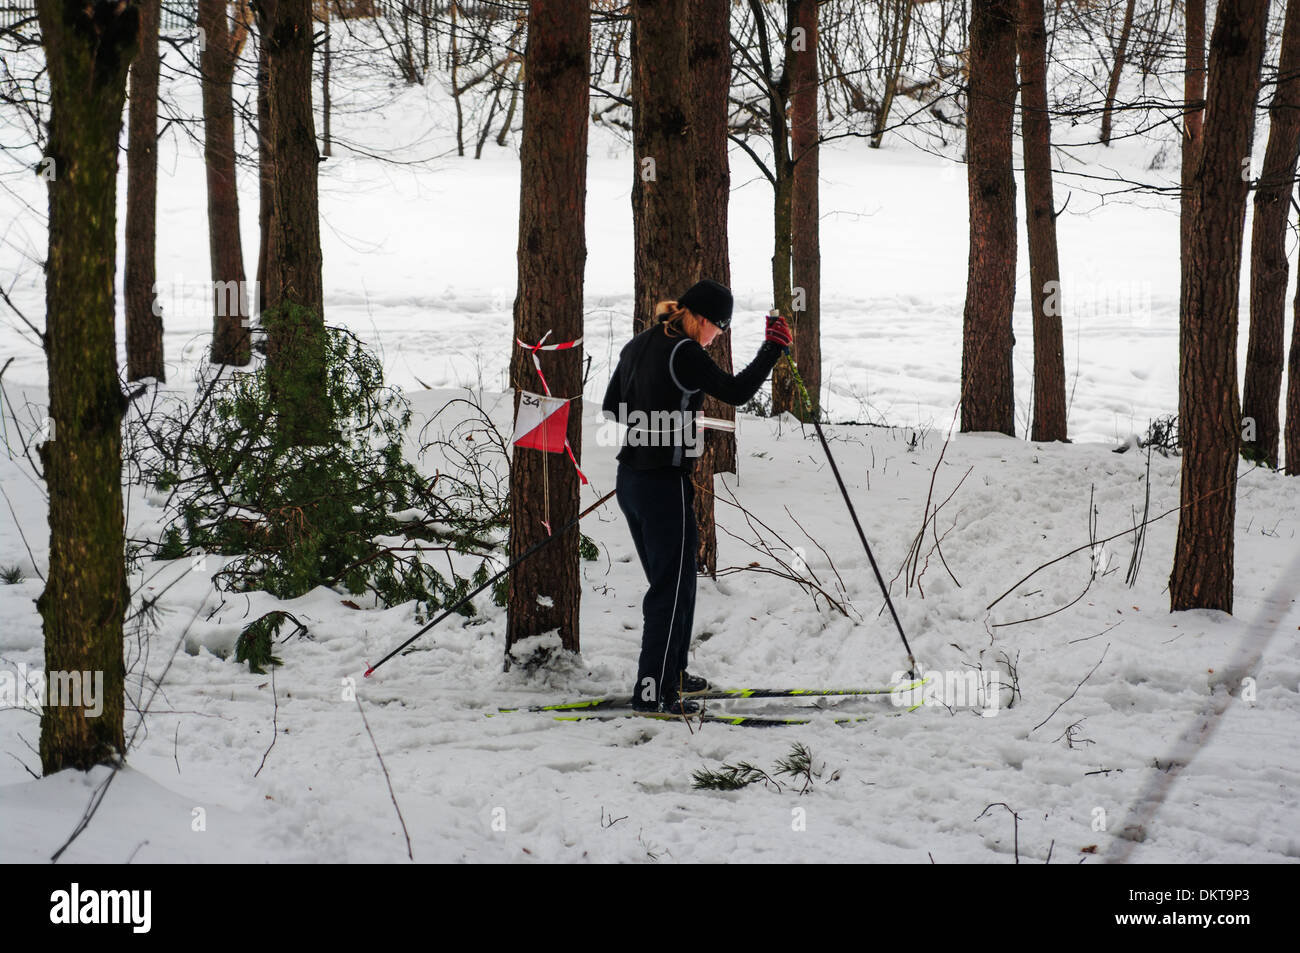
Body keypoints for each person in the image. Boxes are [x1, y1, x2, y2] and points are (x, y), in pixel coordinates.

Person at [601, 279, 793, 713]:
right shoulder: (684, 351)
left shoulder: (639, 344)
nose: (717, 338)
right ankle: (653, 692)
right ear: (704, 319)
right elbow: (737, 391)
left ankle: (674, 675)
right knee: (671, 591)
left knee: (679, 585)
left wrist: (672, 420)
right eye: (719, 330)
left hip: (631, 480)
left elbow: (612, 407)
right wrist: (771, 349)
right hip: (662, 485)